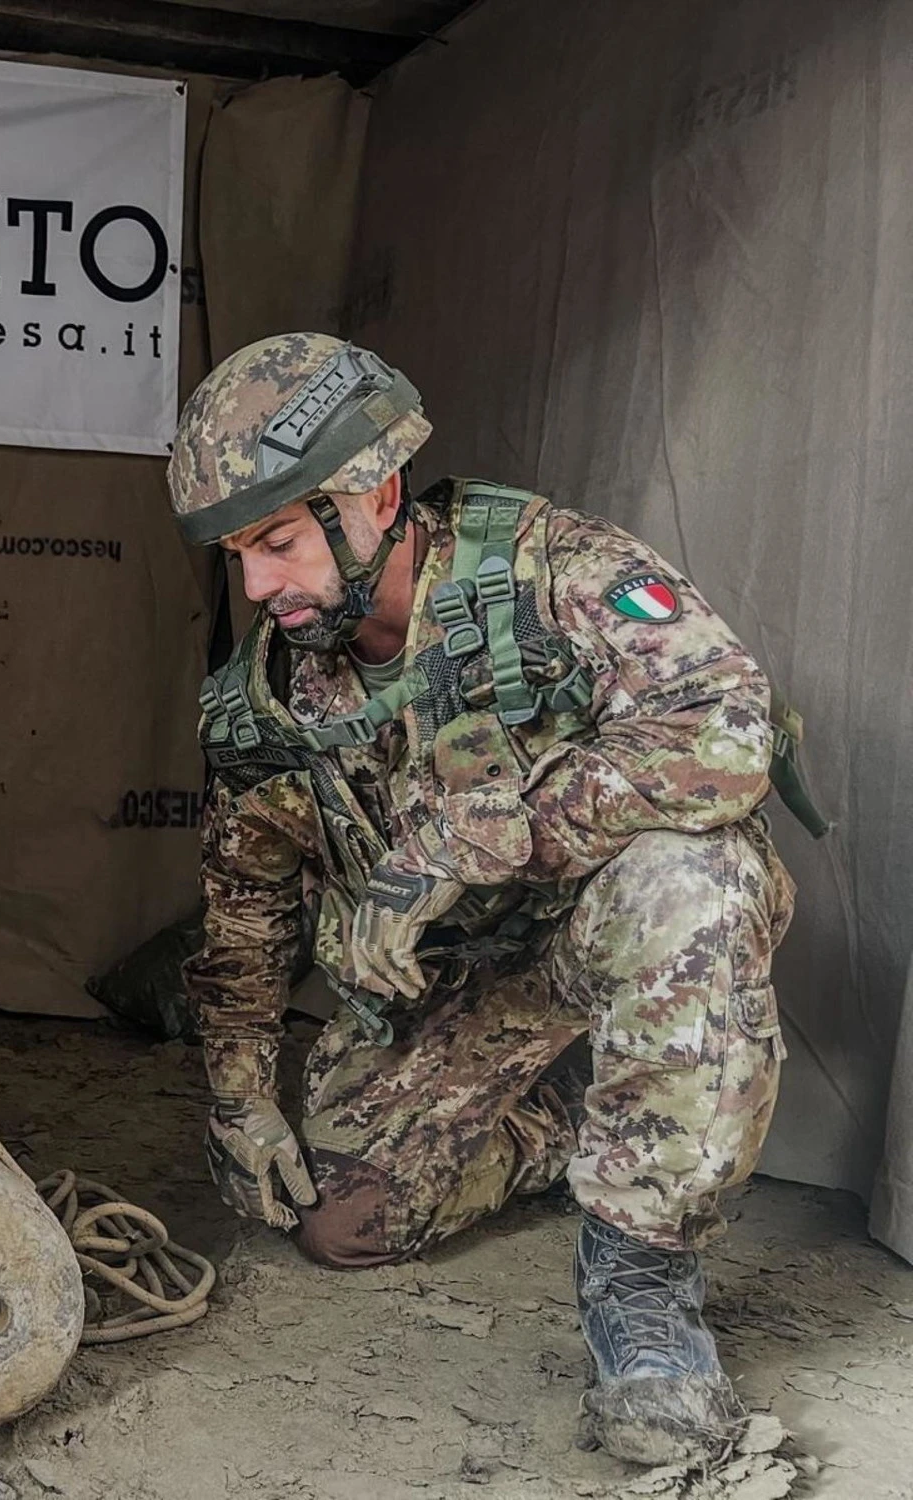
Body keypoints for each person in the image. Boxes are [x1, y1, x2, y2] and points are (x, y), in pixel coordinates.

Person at [171, 333, 816, 1466]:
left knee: (693, 882)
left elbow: (724, 728)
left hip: (609, 933)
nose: (258, 586)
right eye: (237, 556)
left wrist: (466, 841)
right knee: (338, 1217)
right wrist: (236, 1094)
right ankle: (576, 1112)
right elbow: (243, 906)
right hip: (466, 995)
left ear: (373, 495)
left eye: (275, 542)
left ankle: (643, 1295)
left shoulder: (549, 571)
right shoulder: (269, 701)